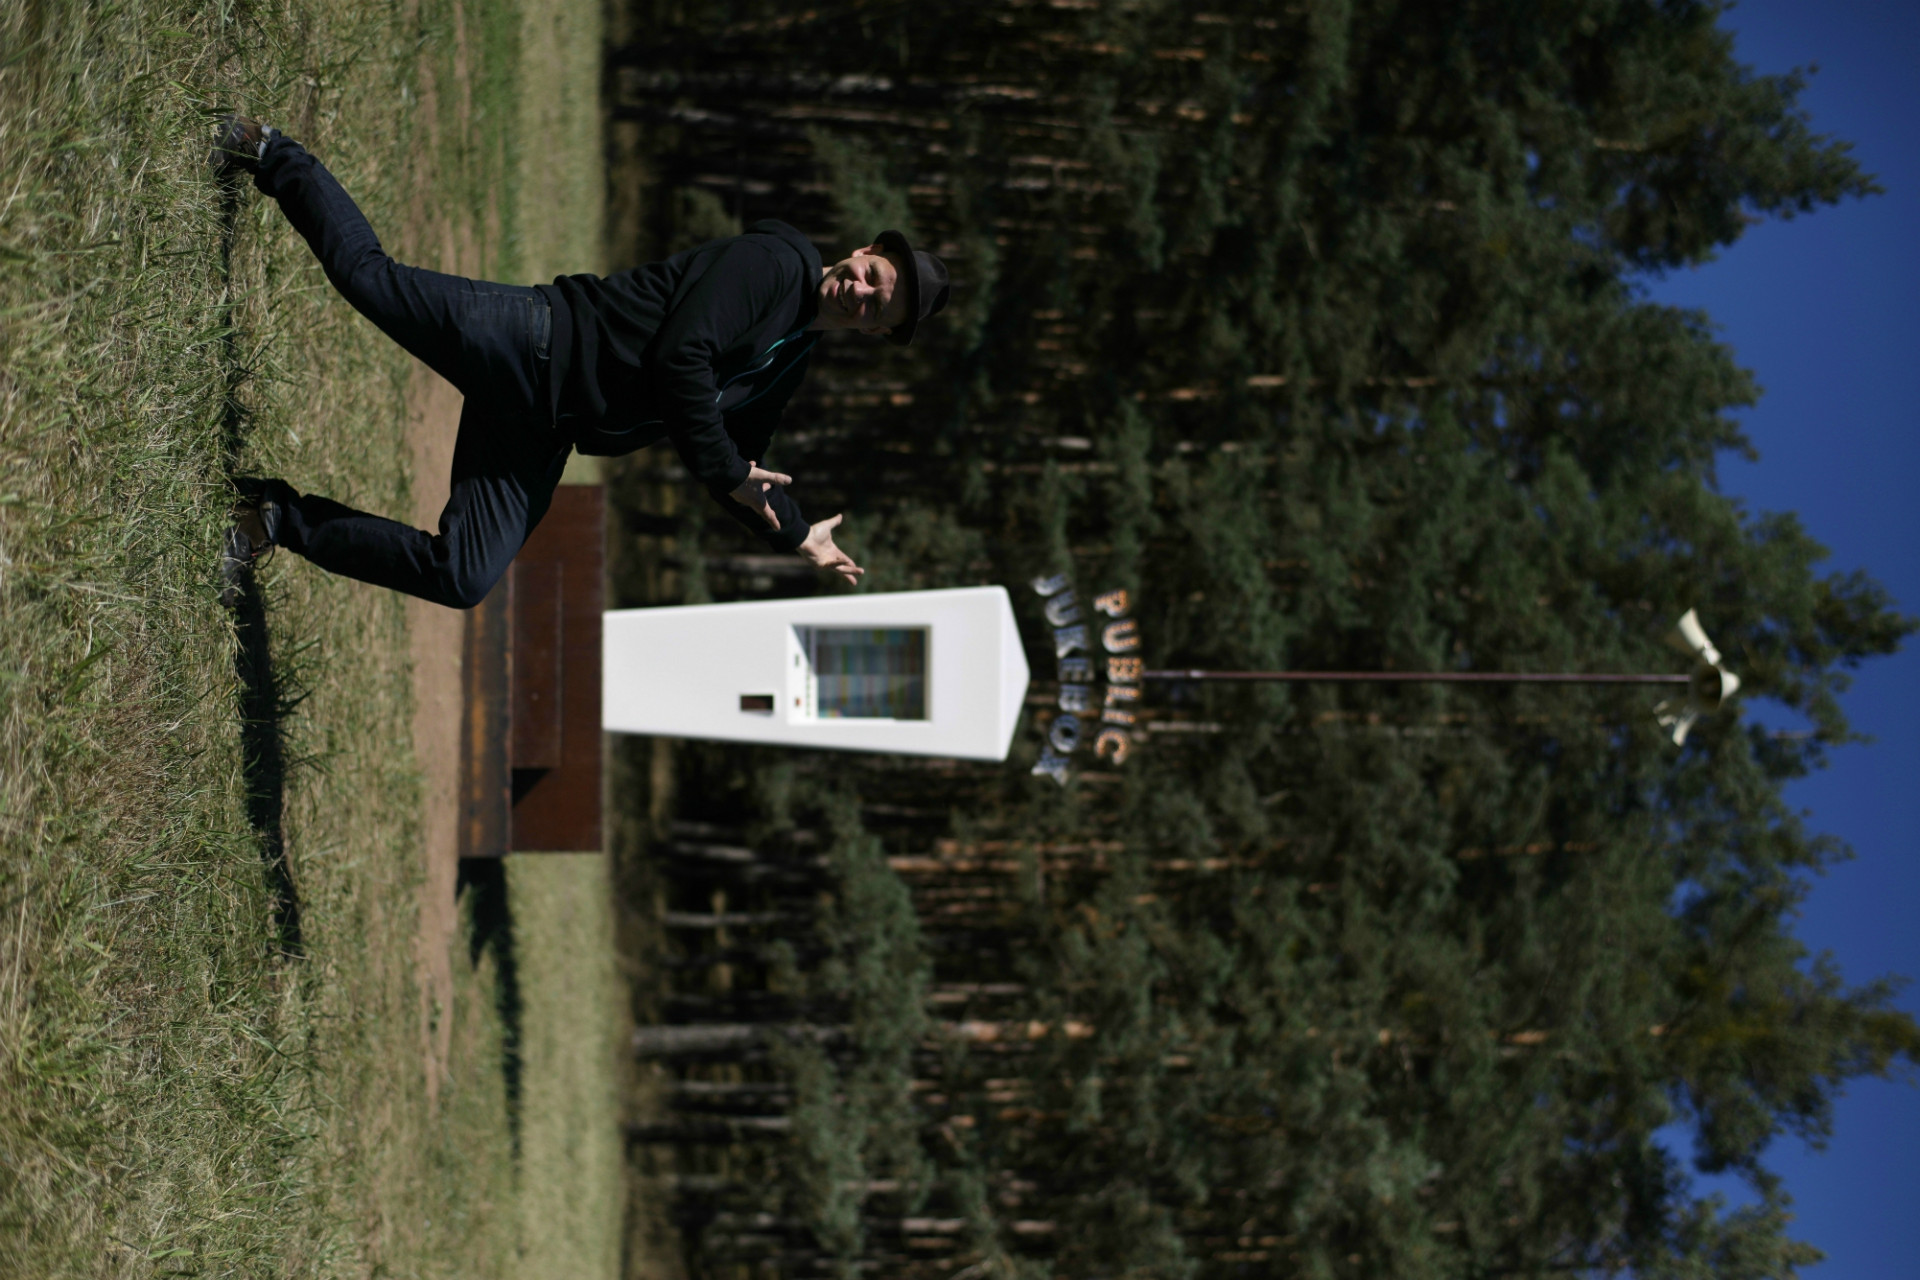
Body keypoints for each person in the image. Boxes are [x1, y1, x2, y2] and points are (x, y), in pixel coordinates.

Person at [210, 113, 950, 607]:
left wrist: (793, 529)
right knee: (370, 278)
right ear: (863, 250)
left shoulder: (790, 358)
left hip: (546, 426)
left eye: (877, 308)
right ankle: (268, 149)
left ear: (876, 333)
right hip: (534, 340)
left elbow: (740, 459)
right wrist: (728, 469)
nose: (860, 293)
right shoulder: (775, 267)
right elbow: (682, 358)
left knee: (463, 575)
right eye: (872, 276)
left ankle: (271, 517)